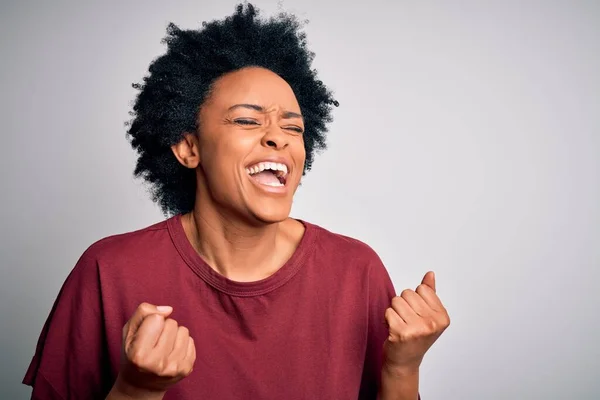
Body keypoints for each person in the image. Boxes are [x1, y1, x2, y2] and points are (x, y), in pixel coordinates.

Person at [23, 3, 450, 399]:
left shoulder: (357, 271)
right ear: (188, 147)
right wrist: (136, 390)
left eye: (294, 128)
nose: (277, 136)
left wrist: (403, 367)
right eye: (247, 120)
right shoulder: (109, 270)